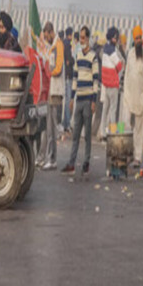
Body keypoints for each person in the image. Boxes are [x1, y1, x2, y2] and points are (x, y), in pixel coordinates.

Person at [63, 26, 98, 175]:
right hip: (78, 100)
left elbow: (96, 80)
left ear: (88, 39)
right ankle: (71, 163)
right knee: (76, 134)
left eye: (83, 38)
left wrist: (94, 101)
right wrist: (72, 98)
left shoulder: (93, 57)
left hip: (88, 100)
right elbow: (75, 77)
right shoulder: (78, 55)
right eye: (81, 38)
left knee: (87, 135)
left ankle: (86, 162)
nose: (81, 40)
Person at [123, 25, 143, 166]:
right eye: (136, 38)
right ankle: (127, 153)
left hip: (141, 97)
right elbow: (127, 74)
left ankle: (137, 157)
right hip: (129, 95)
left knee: (139, 128)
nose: (139, 40)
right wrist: (126, 93)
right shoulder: (129, 54)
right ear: (133, 40)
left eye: (140, 37)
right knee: (127, 126)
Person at [36, 22, 63, 170]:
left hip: (55, 91)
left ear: (50, 32)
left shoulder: (58, 46)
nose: (45, 39)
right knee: (49, 127)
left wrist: (48, 70)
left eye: (46, 36)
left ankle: (52, 159)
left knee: (52, 127)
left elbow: (57, 68)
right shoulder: (53, 46)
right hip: (51, 91)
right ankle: (48, 157)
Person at [99, 26, 124, 139]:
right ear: (113, 38)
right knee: (113, 110)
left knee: (105, 109)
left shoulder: (104, 49)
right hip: (113, 85)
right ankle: (112, 133)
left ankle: (102, 132)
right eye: (116, 37)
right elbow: (119, 65)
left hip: (106, 84)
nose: (117, 39)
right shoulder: (113, 51)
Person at [61, 26, 74, 133]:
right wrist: (72, 60)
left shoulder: (63, 43)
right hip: (68, 75)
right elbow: (69, 60)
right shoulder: (68, 45)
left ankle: (65, 123)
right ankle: (67, 124)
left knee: (66, 100)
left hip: (65, 75)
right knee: (68, 100)